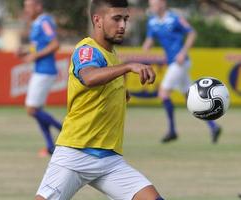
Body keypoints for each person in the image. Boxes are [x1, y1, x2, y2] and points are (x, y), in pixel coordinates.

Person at [35, 0, 165, 199]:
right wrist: (128, 66)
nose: (122, 25)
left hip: (109, 160)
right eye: (116, 19)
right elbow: (89, 77)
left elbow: (104, 84)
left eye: (125, 19)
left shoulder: (112, 54)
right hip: (76, 154)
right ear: (97, 19)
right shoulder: (87, 49)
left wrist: (121, 92)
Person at [142, 0, 221, 143]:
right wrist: (145, 47)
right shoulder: (152, 22)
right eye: (150, 4)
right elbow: (150, 39)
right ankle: (213, 126)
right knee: (190, 99)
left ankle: (172, 131)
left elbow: (192, 33)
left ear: (162, 3)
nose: (151, 6)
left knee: (163, 93)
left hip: (180, 62)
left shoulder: (175, 18)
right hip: (173, 63)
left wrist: (183, 52)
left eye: (154, 3)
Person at [18, 0, 62, 157]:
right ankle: (50, 147)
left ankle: (63, 130)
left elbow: (55, 44)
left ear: (38, 6)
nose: (27, 9)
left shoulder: (44, 21)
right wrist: (26, 52)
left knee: (31, 109)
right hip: (39, 70)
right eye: (25, 6)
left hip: (45, 71)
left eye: (29, 6)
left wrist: (34, 55)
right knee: (37, 110)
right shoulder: (36, 22)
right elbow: (39, 45)